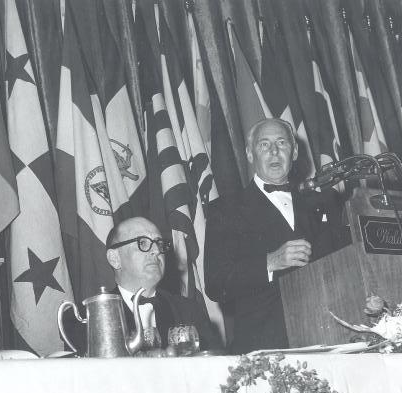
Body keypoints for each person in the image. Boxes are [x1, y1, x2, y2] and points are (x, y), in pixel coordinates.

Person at [204, 118, 344, 354]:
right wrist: (270, 262)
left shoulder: (321, 203)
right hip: (263, 347)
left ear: (295, 152)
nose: (274, 151)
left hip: (324, 340)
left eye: (281, 143)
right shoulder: (226, 210)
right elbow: (216, 284)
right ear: (250, 154)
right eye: (264, 145)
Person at [105, 216, 222, 352]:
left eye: (159, 244)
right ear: (115, 259)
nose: (156, 251)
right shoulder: (93, 317)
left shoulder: (188, 311)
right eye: (142, 243)